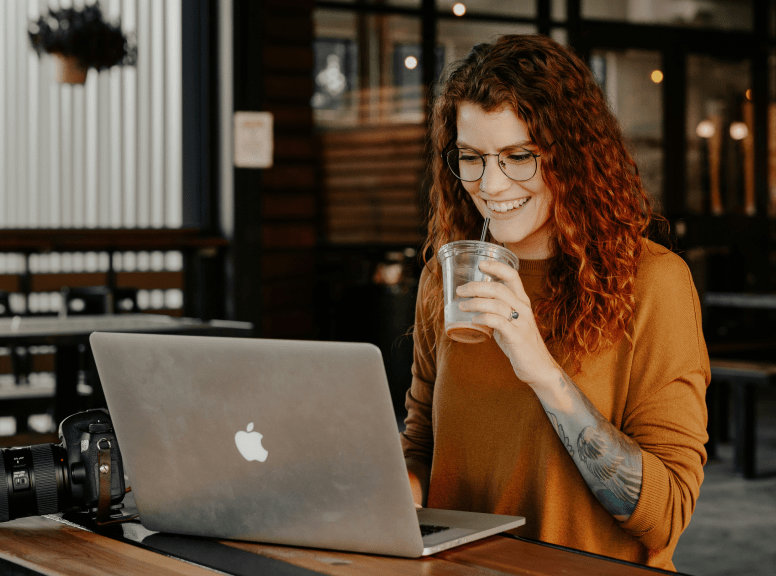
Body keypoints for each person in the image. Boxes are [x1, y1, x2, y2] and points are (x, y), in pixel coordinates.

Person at [401, 34, 709, 571]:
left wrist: (541, 368)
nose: (491, 185)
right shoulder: (446, 278)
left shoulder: (654, 282)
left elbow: (666, 515)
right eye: (471, 158)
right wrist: (374, 491)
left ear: (572, 155)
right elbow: (424, 443)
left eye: (519, 157)